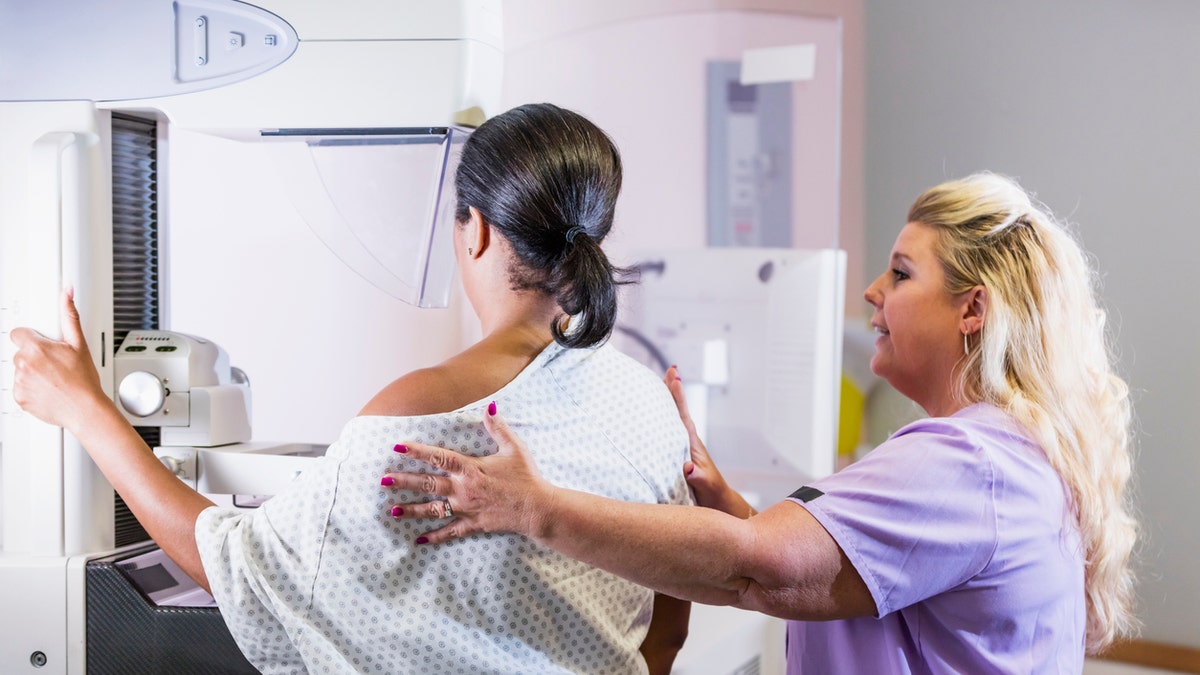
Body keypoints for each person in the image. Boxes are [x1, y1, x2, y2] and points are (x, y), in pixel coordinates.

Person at [10, 103, 696, 674]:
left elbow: (239, 568)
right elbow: (667, 628)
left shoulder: (417, 411)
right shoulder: (649, 406)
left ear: (476, 231)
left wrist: (87, 409)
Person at [385, 172, 1139, 673]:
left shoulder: (966, 461)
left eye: (903, 274)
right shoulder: (1007, 453)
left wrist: (529, 507)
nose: (874, 291)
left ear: (974, 308)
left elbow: (762, 569)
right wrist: (738, 510)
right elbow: (845, 578)